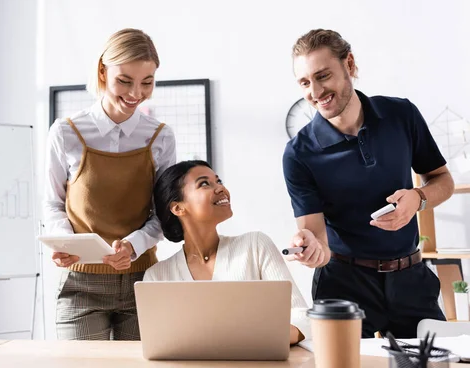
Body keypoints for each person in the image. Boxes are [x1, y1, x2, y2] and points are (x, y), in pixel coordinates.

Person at [282, 29, 455, 338]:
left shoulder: (400, 114)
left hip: (411, 279)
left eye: (323, 76)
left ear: (350, 65)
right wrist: (312, 249)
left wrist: (418, 198)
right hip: (344, 285)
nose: (316, 91)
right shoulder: (299, 154)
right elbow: (316, 237)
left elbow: (442, 180)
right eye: (305, 83)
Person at [43, 28, 176, 340]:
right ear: (102, 72)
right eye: (125, 81)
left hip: (142, 281)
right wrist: (65, 242)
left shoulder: (160, 137)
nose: (136, 93)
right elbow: (52, 203)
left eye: (147, 82)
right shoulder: (66, 132)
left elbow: (164, 214)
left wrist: (133, 246)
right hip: (80, 285)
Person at [144, 160, 310, 344]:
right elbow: (158, 342)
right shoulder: (156, 277)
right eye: (204, 183)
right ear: (178, 207)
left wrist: (260, 339)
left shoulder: (254, 246)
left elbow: (300, 317)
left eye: (219, 181)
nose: (221, 188)